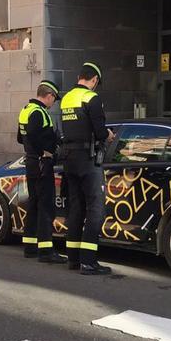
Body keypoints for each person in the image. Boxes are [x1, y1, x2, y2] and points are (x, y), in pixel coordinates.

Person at [60, 62, 116, 275]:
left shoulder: (66, 99)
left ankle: (73, 259)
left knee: (76, 208)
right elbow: (100, 132)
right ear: (93, 80)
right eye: (96, 83)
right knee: (96, 210)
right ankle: (89, 262)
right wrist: (108, 134)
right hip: (88, 160)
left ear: (79, 77)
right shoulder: (92, 98)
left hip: (69, 160)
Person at [18, 80, 68, 264]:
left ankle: (30, 247)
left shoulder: (26, 110)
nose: (53, 103)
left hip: (31, 163)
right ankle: (46, 251)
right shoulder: (39, 113)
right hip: (41, 163)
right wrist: (43, 152)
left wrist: (32, 150)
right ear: (49, 96)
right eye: (54, 100)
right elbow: (32, 133)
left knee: (34, 205)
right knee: (46, 207)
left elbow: (20, 137)